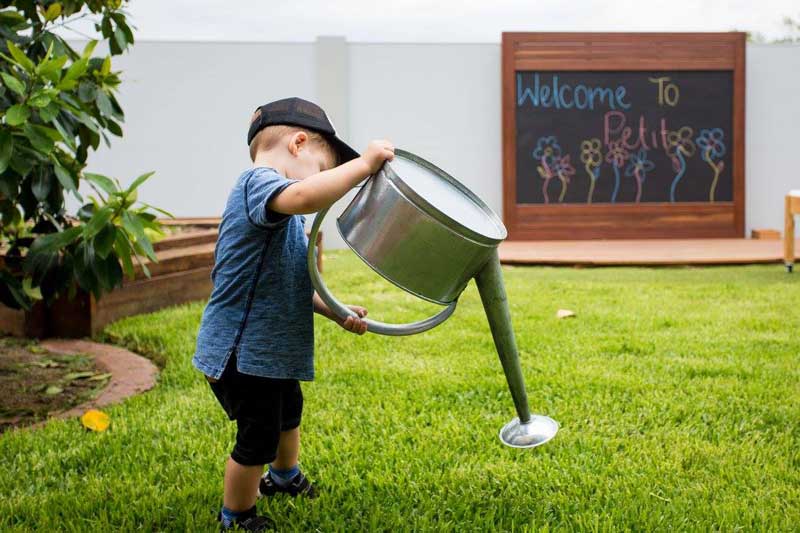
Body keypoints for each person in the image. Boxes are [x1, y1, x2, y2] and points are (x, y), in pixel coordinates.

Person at [192, 97, 395, 531]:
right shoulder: (258, 183)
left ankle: (283, 478)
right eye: (324, 169)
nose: (322, 182)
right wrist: (363, 165)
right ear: (298, 144)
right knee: (259, 434)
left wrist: (334, 310)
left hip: (271, 353)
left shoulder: (283, 216)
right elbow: (304, 195)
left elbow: (293, 284)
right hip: (241, 353)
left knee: (289, 412)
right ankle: (237, 515)